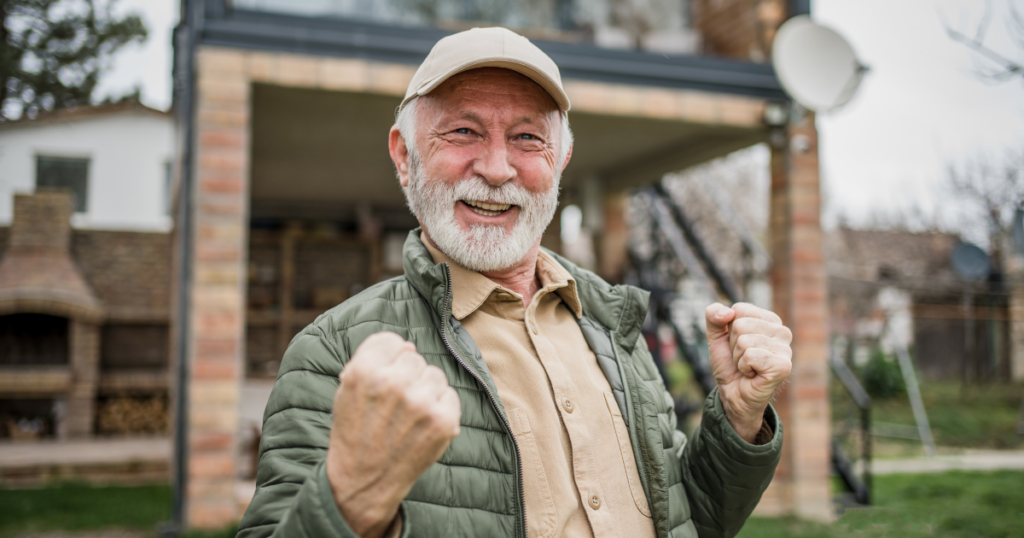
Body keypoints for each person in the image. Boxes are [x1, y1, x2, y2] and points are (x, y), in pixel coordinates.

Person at [238, 26, 793, 538]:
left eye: (528, 138)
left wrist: (738, 416)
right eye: (463, 131)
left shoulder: (612, 323)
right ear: (405, 156)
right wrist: (351, 499)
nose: (498, 168)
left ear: (561, 160)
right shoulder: (332, 352)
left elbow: (687, 519)